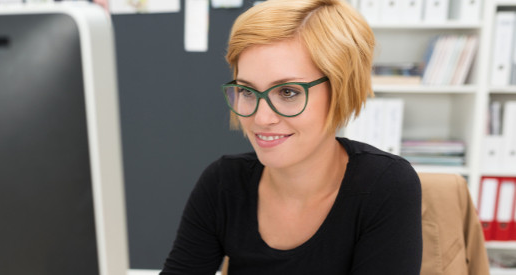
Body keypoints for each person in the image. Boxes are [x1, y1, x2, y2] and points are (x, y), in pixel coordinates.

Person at [160, 0, 422, 274]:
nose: (261, 119)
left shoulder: (384, 186)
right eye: (248, 92)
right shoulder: (223, 183)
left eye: (288, 92)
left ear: (341, 89)